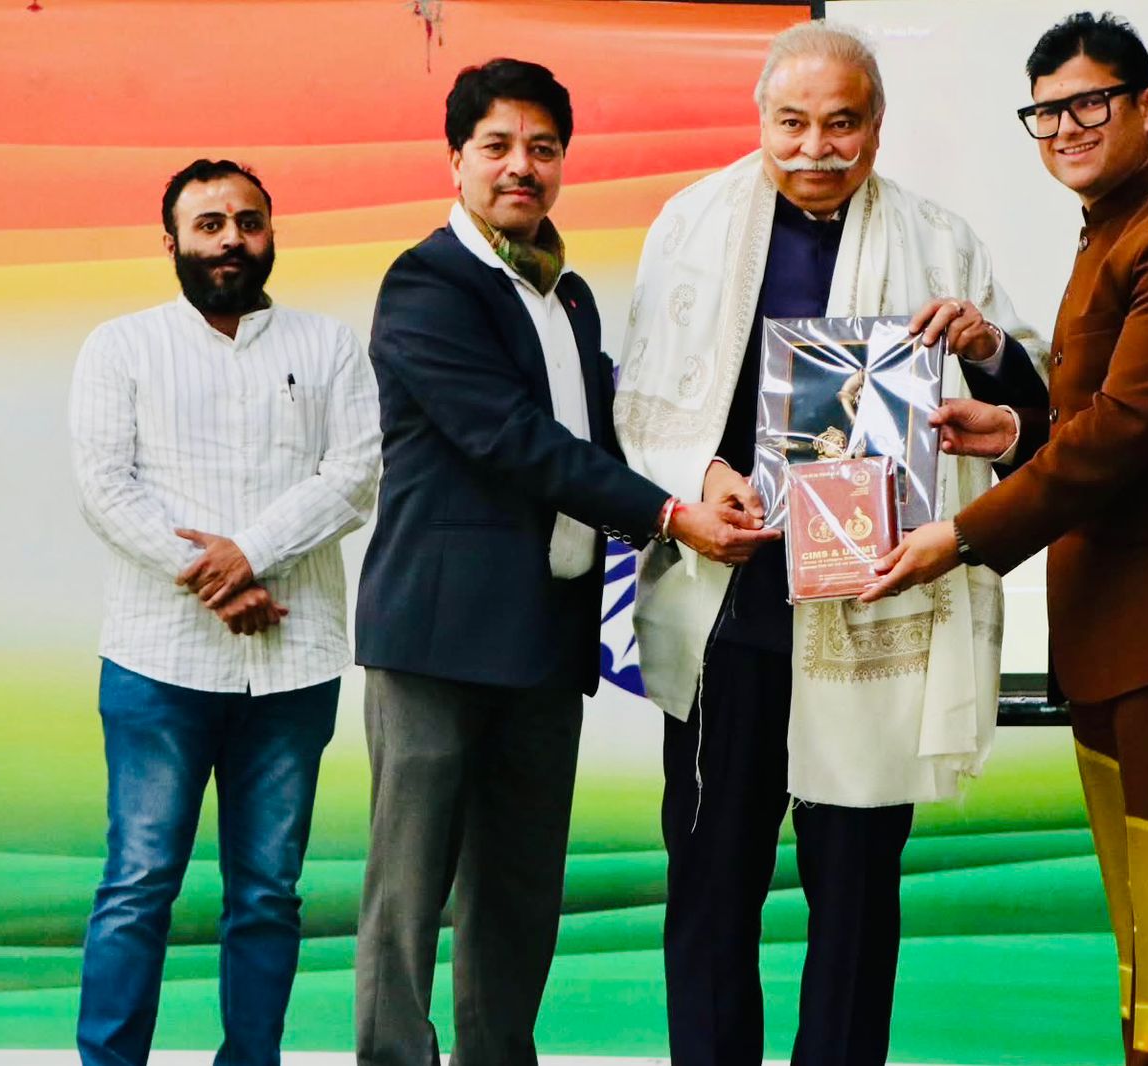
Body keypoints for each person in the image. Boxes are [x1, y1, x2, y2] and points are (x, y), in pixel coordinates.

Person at [613, 22, 1048, 1066]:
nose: (816, 147)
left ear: (878, 125)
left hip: (875, 606)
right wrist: (696, 475)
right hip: (732, 609)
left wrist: (986, 349)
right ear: (760, 119)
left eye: (841, 123)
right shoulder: (689, 224)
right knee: (711, 880)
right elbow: (636, 398)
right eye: (792, 122)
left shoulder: (939, 241)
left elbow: (1032, 405)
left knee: (855, 893)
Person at [863, 13, 1148, 1064]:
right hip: (1117, 634)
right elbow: (1105, 421)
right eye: (1045, 112)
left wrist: (960, 535)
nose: (1065, 127)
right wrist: (1014, 431)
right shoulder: (1114, 227)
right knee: (1141, 929)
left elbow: (1124, 435)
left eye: (1089, 103)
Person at [353, 58, 774, 1066]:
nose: (521, 166)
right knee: (410, 889)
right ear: (455, 159)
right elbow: (514, 440)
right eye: (497, 146)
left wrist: (702, 471)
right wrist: (668, 514)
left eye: (542, 148)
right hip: (439, 638)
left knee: (519, 888)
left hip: (544, 634)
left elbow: (607, 424)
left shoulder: (568, 293)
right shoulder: (428, 283)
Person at [69, 158, 381, 1066]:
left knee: (268, 893)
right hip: (156, 663)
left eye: (248, 222)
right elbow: (105, 488)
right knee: (138, 885)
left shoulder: (330, 347)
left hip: (293, 663)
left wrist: (250, 553)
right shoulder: (120, 347)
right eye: (208, 225)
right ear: (170, 241)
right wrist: (214, 577)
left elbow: (354, 475)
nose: (230, 240)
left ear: (271, 235)